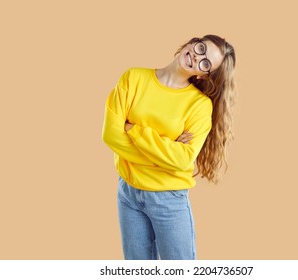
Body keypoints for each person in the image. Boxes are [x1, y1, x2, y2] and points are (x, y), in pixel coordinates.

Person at [102, 34, 237, 260]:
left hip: (169, 201)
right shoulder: (133, 78)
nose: (197, 56)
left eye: (205, 63)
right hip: (128, 194)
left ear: (204, 75)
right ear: (191, 42)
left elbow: (182, 160)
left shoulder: (199, 106)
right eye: (200, 48)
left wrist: (134, 130)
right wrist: (166, 155)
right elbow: (110, 135)